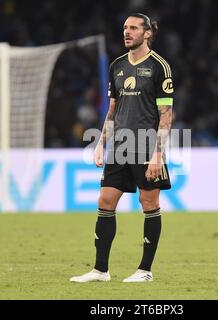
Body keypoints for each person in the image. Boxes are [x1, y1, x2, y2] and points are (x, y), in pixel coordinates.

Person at [70, 13, 174, 283]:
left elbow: (166, 114)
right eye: (125, 28)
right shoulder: (117, 66)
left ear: (147, 33)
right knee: (105, 201)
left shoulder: (159, 67)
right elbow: (112, 111)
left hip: (147, 144)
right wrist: (100, 144)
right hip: (120, 146)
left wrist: (158, 155)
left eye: (133, 28)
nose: (127, 32)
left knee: (148, 203)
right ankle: (100, 270)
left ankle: (145, 270)